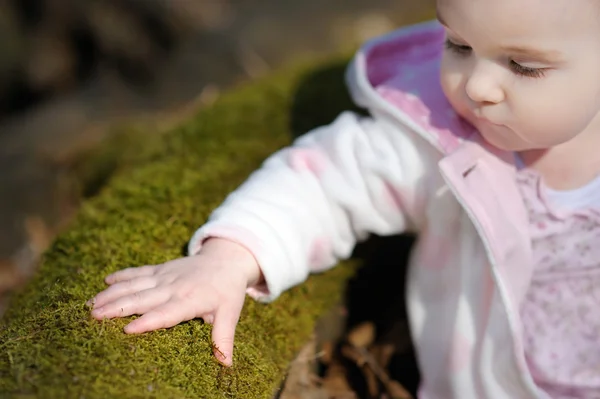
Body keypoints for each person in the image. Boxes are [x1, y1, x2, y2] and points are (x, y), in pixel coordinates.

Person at [87, 0, 600, 397]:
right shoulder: (440, 142)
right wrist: (228, 258)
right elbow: (326, 184)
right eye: (459, 46)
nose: (480, 86)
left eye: (524, 66)